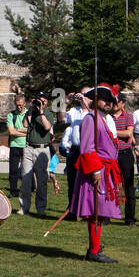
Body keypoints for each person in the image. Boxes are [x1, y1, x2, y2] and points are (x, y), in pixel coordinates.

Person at [75, 84, 123, 262]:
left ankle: (95, 248)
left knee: (101, 212)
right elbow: (87, 148)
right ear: (95, 100)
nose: (108, 103)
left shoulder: (106, 119)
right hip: (97, 170)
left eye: (110, 100)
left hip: (108, 170)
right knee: (95, 212)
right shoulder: (91, 119)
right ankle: (94, 250)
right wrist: (95, 171)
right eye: (104, 99)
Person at [19, 94, 55, 218]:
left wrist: (41, 112)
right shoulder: (31, 113)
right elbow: (24, 124)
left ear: (46, 103)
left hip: (42, 149)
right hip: (29, 148)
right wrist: (30, 110)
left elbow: (47, 127)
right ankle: (24, 207)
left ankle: (40, 209)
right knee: (25, 179)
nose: (40, 104)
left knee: (42, 180)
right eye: (39, 102)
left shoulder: (48, 114)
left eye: (43, 102)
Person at [59, 92, 89, 221]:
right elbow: (61, 119)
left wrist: (85, 103)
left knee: (87, 183)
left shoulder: (91, 111)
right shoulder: (74, 111)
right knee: (72, 181)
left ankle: (87, 213)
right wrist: (66, 102)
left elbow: (96, 117)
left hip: (88, 150)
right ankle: (72, 211)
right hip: (75, 150)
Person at [112, 91, 137, 226]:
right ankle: (107, 214)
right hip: (111, 154)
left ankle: (129, 218)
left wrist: (112, 132)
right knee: (110, 185)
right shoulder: (108, 116)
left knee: (128, 186)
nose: (114, 104)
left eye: (117, 102)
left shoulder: (128, 116)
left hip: (125, 153)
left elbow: (128, 133)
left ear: (122, 103)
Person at [5, 94, 28, 200]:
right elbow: (11, 131)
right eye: (17, 105)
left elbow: (31, 131)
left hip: (26, 145)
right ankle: (13, 190)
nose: (19, 107)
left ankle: (26, 190)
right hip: (14, 145)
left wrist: (17, 130)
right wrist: (24, 132)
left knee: (26, 170)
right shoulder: (11, 115)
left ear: (25, 104)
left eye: (21, 105)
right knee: (13, 170)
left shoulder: (29, 114)